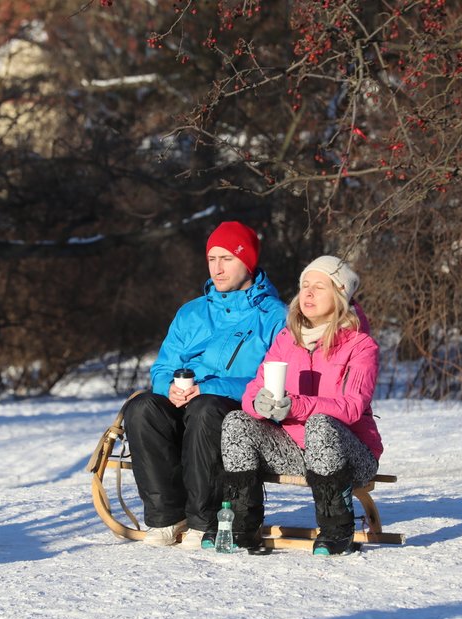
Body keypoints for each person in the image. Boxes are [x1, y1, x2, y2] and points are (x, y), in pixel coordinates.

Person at [124, 221, 287, 549]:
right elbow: (163, 367)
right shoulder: (191, 313)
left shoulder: (275, 316)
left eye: (227, 258)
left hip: (235, 409)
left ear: (248, 262)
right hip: (186, 401)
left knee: (206, 407)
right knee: (141, 407)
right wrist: (168, 386)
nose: (217, 267)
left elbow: (274, 382)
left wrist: (216, 387)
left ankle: (205, 520)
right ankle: (167, 517)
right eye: (212, 259)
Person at [220, 255, 382, 555]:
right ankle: (243, 525)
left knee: (321, 424)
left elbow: (351, 408)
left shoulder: (361, 346)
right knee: (237, 421)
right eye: (304, 285)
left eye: (318, 287)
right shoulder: (286, 338)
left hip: (351, 456)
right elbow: (253, 390)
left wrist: (294, 406)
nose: (307, 293)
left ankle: (336, 529)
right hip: (296, 449)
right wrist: (260, 403)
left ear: (340, 294)